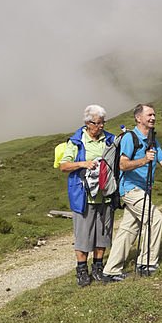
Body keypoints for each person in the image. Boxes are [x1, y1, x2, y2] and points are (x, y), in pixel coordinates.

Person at [101, 103, 162, 280]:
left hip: (143, 191)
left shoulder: (152, 139)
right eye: (149, 115)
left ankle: (110, 270)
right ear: (138, 118)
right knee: (155, 219)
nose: (153, 118)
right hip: (130, 189)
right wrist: (144, 160)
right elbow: (122, 164)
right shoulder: (130, 138)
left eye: (154, 115)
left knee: (128, 230)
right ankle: (147, 263)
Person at [59, 105, 116, 287]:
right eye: (97, 123)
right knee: (83, 236)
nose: (100, 127)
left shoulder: (109, 139)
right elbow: (64, 166)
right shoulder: (77, 141)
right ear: (87, 123)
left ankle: (98, 269)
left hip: (105, 195)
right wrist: (84, 163)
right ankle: (82, 271)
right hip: (84, 196)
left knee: (103, 234)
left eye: (102, 123)